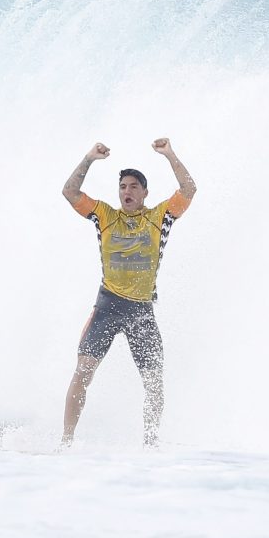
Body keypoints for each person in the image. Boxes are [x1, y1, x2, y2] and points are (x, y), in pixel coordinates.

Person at [60, 138, 197, 448]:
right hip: (108, 305)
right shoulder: (104, 216)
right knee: (83, 371)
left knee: (153, 381)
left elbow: (189, 190)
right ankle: (65, 444)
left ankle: (150, 444)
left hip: (141, 311)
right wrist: (88, 158)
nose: (127, 192)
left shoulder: (159, 217)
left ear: (144, 193)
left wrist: (170, 154)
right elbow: (70, 192)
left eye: (134, 187)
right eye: (123, 186)